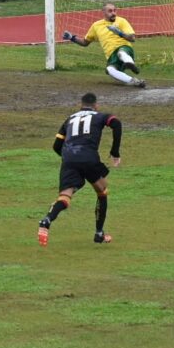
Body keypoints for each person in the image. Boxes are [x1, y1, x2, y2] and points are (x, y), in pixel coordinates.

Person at [37, 92, 121, 247]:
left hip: (69, 159)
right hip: (89, 157)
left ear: (80, 105)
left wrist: (69, 160)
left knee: (65, 196)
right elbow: (116, 123)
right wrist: (115, 152)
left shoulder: (70, 119)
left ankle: (46, 220)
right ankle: (99, 233)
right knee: (102, 190)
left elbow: (56, 146)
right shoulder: (99, 116)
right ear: (96, 105)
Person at [61, 3, 146, 88]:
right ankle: (135, 81)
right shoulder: (96, 25)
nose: (113, 13)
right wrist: (72, 38)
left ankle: (131, 64)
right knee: (109, 69)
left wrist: (119, 33)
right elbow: (85, 42)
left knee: (121, 53)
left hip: (124, 48)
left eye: (114, 10)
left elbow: (132, 38)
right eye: (110, 11)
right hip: (111, 55)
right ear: (104, 12)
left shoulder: (121, 21)